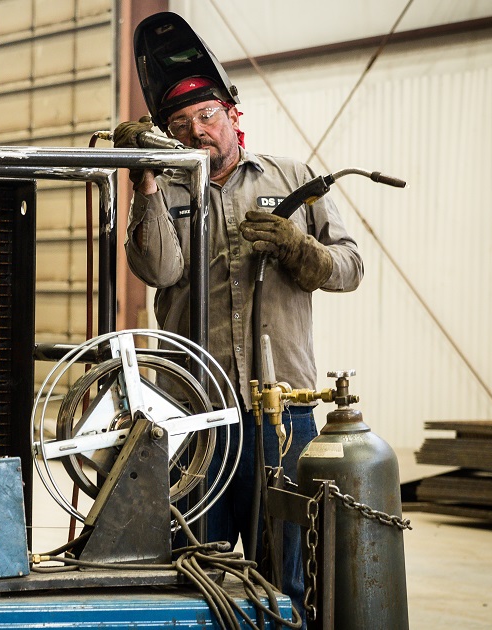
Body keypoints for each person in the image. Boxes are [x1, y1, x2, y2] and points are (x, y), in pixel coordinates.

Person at [114, 75, 363, 621]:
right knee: (195, 572)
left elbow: (350, 267)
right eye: (180, 125)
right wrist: (146, 181)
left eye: (207, 116)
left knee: (288, 576)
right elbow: (159, 270)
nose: (196, 131)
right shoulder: (167, 189)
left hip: (282, 414)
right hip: (194, 416)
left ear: (231, 114)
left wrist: (300, 248)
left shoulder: (292, 177)